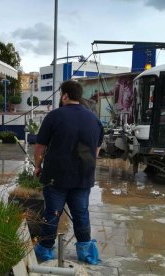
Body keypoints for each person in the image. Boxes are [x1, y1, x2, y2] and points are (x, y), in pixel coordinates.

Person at [33, 80, 103, 264]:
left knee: (52, 214)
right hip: (83, 177)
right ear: (79, 96)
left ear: (65, 95)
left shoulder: (54, 116)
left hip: (56, 177)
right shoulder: (94, 118)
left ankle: (45, 252)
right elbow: (96, 150)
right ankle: (86, 253)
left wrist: (37, 166)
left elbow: (40, 147)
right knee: (81, 214)